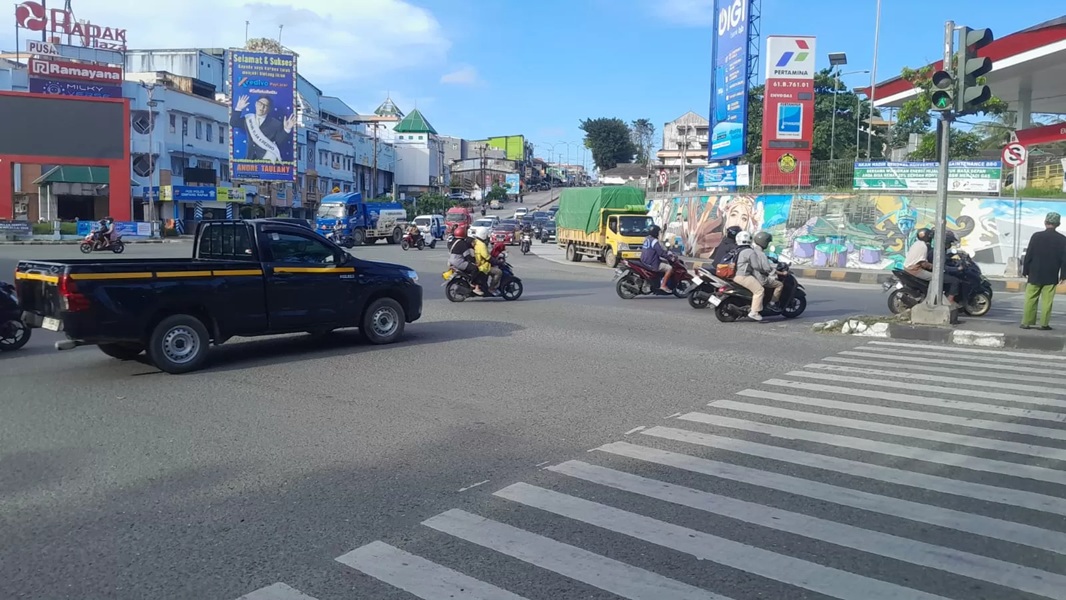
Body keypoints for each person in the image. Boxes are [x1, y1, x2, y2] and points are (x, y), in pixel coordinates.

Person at [1021, 212, 1066, 330]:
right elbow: (1064, 259)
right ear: (1058, 224)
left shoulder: (1036, 236)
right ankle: (1044, 324)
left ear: (1045, 222)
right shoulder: (1062, 239)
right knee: (1047, 301)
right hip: (1051, 274)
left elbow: (1029, 254)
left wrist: (1025, 270)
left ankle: (1026, 322)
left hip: (1035, 273)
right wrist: (1063, 275)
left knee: (1030, 298)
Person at [734, 231, 784, 321]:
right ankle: (767, 306)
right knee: (767, 288)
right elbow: (761, 267)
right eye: (768, 242)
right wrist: (779, 273)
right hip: (750, 276)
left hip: (738, 275)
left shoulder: (742, 250)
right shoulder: (754, 252)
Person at [230, 95, 297, 162]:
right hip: (249, 160)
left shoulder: (275, 124)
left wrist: (287, 129)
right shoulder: (248, 119)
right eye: (260, 104)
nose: (262, 107)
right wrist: (238, 108)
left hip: (267, 161)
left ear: (269, 109)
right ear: (256, 104)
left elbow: (278, 142)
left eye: (265, 105)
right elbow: (233, 123)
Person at [448, 224, 485, 295]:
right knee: (475, 269)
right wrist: (475, 262)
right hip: (458, 262)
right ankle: (472, 283)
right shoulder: (462, 244)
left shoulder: (454, 241)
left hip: (451, 261)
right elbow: (468, 256)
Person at [640, 225, 673, 294]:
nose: (659, 234)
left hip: (644, 261)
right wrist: (670, 257)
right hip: (651, 262)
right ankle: (663, 285)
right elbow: (661, 253)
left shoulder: (647, 239)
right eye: (658, 232)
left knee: (663, 262)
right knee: (669, 268)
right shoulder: (654, 241)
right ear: (655, 233)